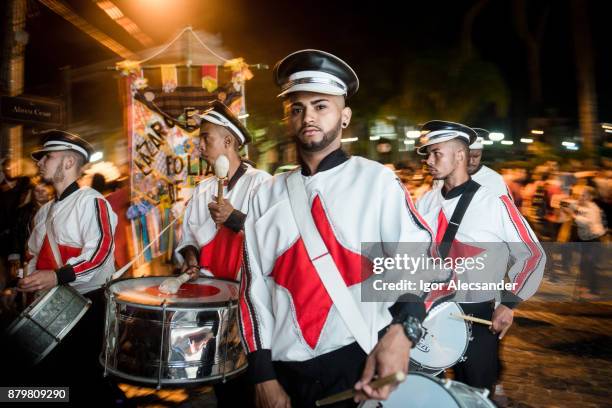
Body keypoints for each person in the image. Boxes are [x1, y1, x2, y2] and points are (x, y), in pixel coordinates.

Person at [239, 49, 440, 408]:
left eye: (321, 106)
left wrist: (402, 331)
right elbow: (254, 291)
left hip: (358, 363)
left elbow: (420, 259)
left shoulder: (376, 180)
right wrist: (262, 375)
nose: (307, 117)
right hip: (284, 374)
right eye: (296, 108)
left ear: (344, 116)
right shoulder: (264, 196)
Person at [415, 120, 545, 394]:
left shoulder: (494, 202)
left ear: (459, 155)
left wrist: (509, 304)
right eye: (427, 153)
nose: (428, 160)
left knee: (476, 393)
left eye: (436, 152)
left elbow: (532, 254)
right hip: (430, 313)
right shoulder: (425, 201)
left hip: (477, 315)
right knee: (425, 392)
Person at [9, 130, 125, 405]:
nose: (40, 163)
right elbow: (34, 256)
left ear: (69, 162)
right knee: (52, 381)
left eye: (48, 157)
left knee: (85, 382)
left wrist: (57, 276)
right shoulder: (44, 211)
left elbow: (99, 252)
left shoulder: (92, 201)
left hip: (87, 308)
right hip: (51, 306)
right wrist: (20, 284)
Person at [174, 100, 271, 407]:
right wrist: (190, 258)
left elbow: (272, 237)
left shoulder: (262, 184)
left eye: (207, 139)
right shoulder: (202, 189)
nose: (200, 146)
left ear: (228, 141)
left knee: (242, 381)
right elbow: (187, 237)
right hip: (206, 300)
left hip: (245, 302)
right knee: (206, 375)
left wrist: (235, 219)